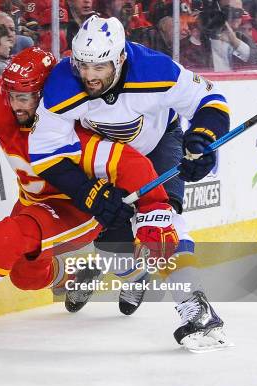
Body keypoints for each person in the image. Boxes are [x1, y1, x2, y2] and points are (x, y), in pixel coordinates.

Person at [0, 47, 179, 336]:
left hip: (76, 210)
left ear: (45, 95)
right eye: (11, 96)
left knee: (9, 235)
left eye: (23, 98)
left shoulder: (73, 127)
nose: (15, 106)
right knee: (26, 278)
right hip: (32, 203)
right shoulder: (7, 101)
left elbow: (133, 166)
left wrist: (155, 210)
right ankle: (79, 274)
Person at [27, 15, 232, 351]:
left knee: (164, 220)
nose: (89, 76)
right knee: (114, 239)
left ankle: (195, 308)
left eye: (100, 67)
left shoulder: (155, 70)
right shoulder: (63, 83)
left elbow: (210, 101)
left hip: (159, 144)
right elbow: (47, 154)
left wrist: (203, 140)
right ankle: (113, 266)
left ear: (120, 58)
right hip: (108, 155)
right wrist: (87, 192)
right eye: (82, 65)